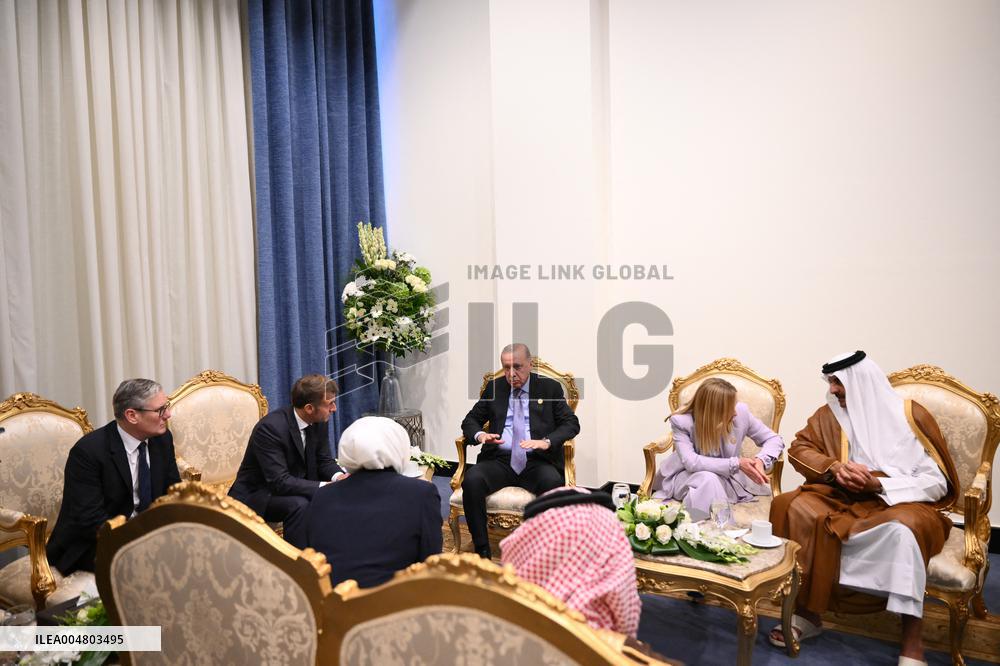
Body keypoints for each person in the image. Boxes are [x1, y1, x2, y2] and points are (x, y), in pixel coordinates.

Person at [768, 351, 957, 666]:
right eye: (829, 382)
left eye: (838, 383)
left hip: (899, 501)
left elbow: (936, 483)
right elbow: (800, 448)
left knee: (903, 531)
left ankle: (912, 638)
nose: (833, 390)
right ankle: (807, 612)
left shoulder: (910, 416)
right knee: (789, 505)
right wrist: (835, 468)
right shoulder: (830, 415)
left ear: (861, 382)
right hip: (842, 497)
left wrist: (880, 485)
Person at [46, 379, 182, 574]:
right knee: (157, 571)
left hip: (147, 535)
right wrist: (144, 541)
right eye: (160, 410)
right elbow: (90, 520)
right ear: (132, 415)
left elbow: (172, 491)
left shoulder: (162, 438)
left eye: (166, 406)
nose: (168, 414)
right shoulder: (88, 452)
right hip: (96, 542)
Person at [460, 343, 581, 559]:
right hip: (500, 459)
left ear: (530, 364)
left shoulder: (549, 388)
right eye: (506, 367)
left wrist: (547, 441)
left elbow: (571, 424)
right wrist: (481, 435)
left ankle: (544, 552)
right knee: (472, 480)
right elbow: (470, 420)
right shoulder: (494, 388)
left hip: (537, 460)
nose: (511, 373)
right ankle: (482, 550)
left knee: (552, 483)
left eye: (517, 366)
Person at [305, 416, 442, 587]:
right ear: (399, 448)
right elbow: (431, 563)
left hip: (333, 602)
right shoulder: (422, 494)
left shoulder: (322, 496)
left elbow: (314, 560)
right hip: (395, 604)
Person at [500, 487, 641, 638]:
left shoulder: (529, 533)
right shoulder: (609, 529)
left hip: (521, 631)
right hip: (593, 644)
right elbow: (626, 619)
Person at [229, 374, 345, 548]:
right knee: (299, 504)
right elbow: (279, 482)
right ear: (309, 408)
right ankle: (296, 564)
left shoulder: (319, 420)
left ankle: (329, 554)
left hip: (293, 486)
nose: (334, 408)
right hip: (259, 494)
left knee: (339, 494)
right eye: (330, 404)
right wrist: (324, 487)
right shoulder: (270, 428)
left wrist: (339, 477)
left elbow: (324, 460)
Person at [654, 378, 784, 520]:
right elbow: (691, 462)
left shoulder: (741, 413)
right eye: (730, 408)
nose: (735, 412)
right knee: (708, 479)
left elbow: (774, 439)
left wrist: (761, 460)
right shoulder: (682, 421)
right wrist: (736, 463)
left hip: (726, 479)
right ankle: (722, 532)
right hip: (686, 476)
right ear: (715, 411)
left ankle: (695, 531)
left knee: (709, 482)